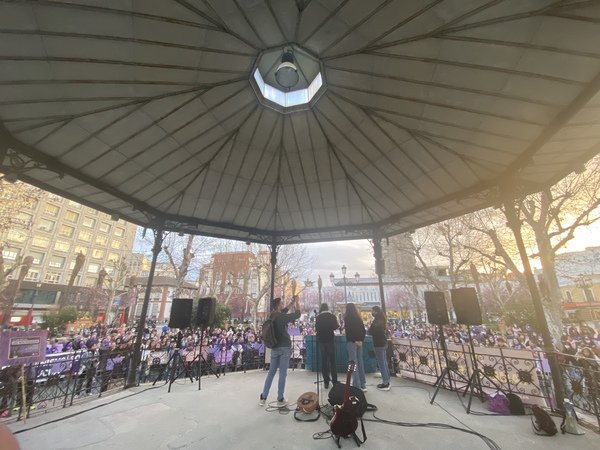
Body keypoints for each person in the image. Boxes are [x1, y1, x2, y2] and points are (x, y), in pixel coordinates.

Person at [259, 295, 301, 407]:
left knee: (271, 372)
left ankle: (263, 397)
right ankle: (280, 398)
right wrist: (297, 303)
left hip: (274, 348)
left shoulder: (272, 316)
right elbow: (297, 315)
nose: (283, 305)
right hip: (284, 348)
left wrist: (291, 302)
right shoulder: (282, 317)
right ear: (278, 306)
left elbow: (284, 310)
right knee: (282, 373)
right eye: (281, 304)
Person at [315, 303, 339, 389]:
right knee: (332, 361)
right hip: (330, 339)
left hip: (321, 340)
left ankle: (326, 382)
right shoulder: (332, 316)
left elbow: (316, 328)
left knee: (324, 362)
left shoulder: (318, 317)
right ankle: (335, 382)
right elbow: (336, 326)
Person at [344, 303, 367, 392]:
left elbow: (349, 331)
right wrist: (360, 340)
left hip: (351, 342)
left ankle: (355, 385)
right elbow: (363, 330)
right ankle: (363, 384)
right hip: (360, 342)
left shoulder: (347, 318)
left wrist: (354, 340)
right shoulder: (358, 318)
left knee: (352, 363)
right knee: (360, 362)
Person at [368, 305, 391, 391]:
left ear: (376, 312)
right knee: (384, 363)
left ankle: (385, 383)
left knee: (381, 364)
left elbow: (371, 331)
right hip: (383, 343)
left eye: (373, 311)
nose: (372, 312)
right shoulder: (382, 320)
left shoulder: (377, 321)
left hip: (378, 344)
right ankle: (387, 380)